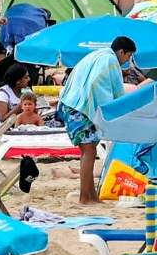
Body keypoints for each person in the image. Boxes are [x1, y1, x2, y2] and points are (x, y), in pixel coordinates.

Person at [57, 34, 135, 205]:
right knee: (89, 151)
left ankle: (91, 196)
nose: (127, 61)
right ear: (121, 52)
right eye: (128, 56)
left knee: (88, 150)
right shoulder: (109, 60)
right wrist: (113, 112)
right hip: (80, 107)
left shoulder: (97, 55)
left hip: (72, 104)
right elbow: (104, 88)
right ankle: (85, 197)